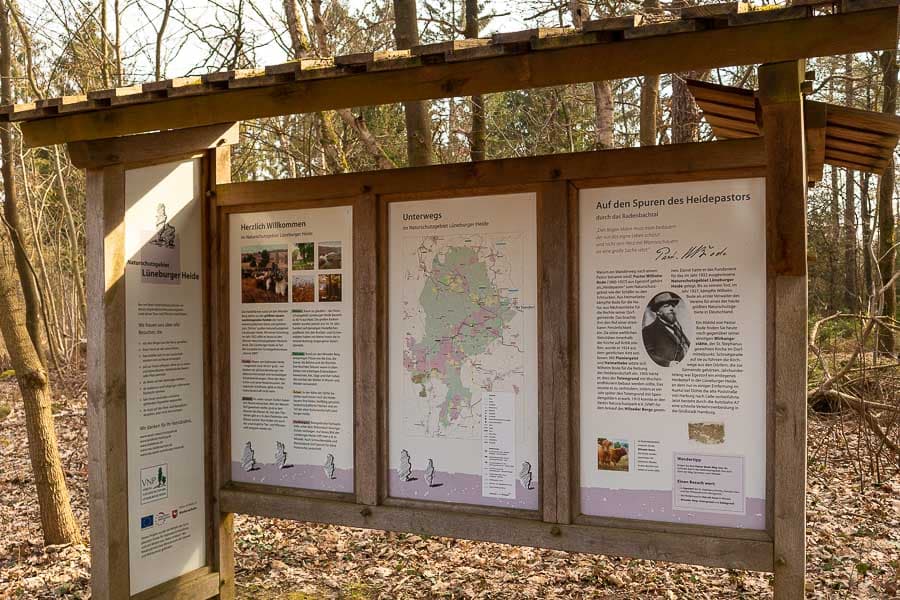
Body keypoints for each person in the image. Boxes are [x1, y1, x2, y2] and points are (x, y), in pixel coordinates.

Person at [642, 292, 690, 367]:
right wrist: (667, 364)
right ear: (658, 312)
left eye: (673, 306)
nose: (671, 308)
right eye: (666, 306)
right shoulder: (648, 331)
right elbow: (648, 355)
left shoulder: (677, 328)